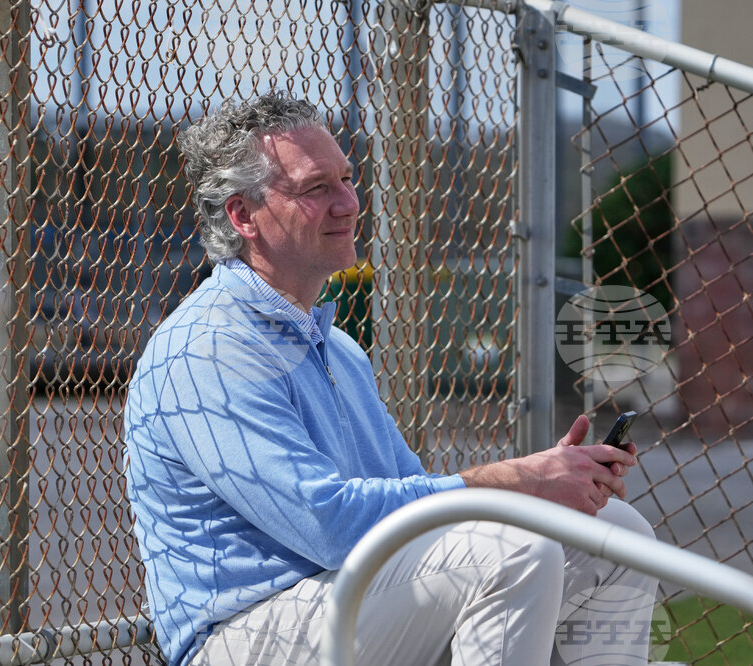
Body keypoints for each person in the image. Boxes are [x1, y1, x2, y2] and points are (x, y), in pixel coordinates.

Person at [123, 91, 657, 666]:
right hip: (243, 633)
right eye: (315, 188)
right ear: (242, 216)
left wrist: (543, 483)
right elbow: (327, 524)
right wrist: (516, 482)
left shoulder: (339, 348)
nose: (348, 202)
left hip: (346, 599)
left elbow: (415, 505)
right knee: (512, 549)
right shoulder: (208, 347)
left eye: (347, 180)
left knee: (615, 532)